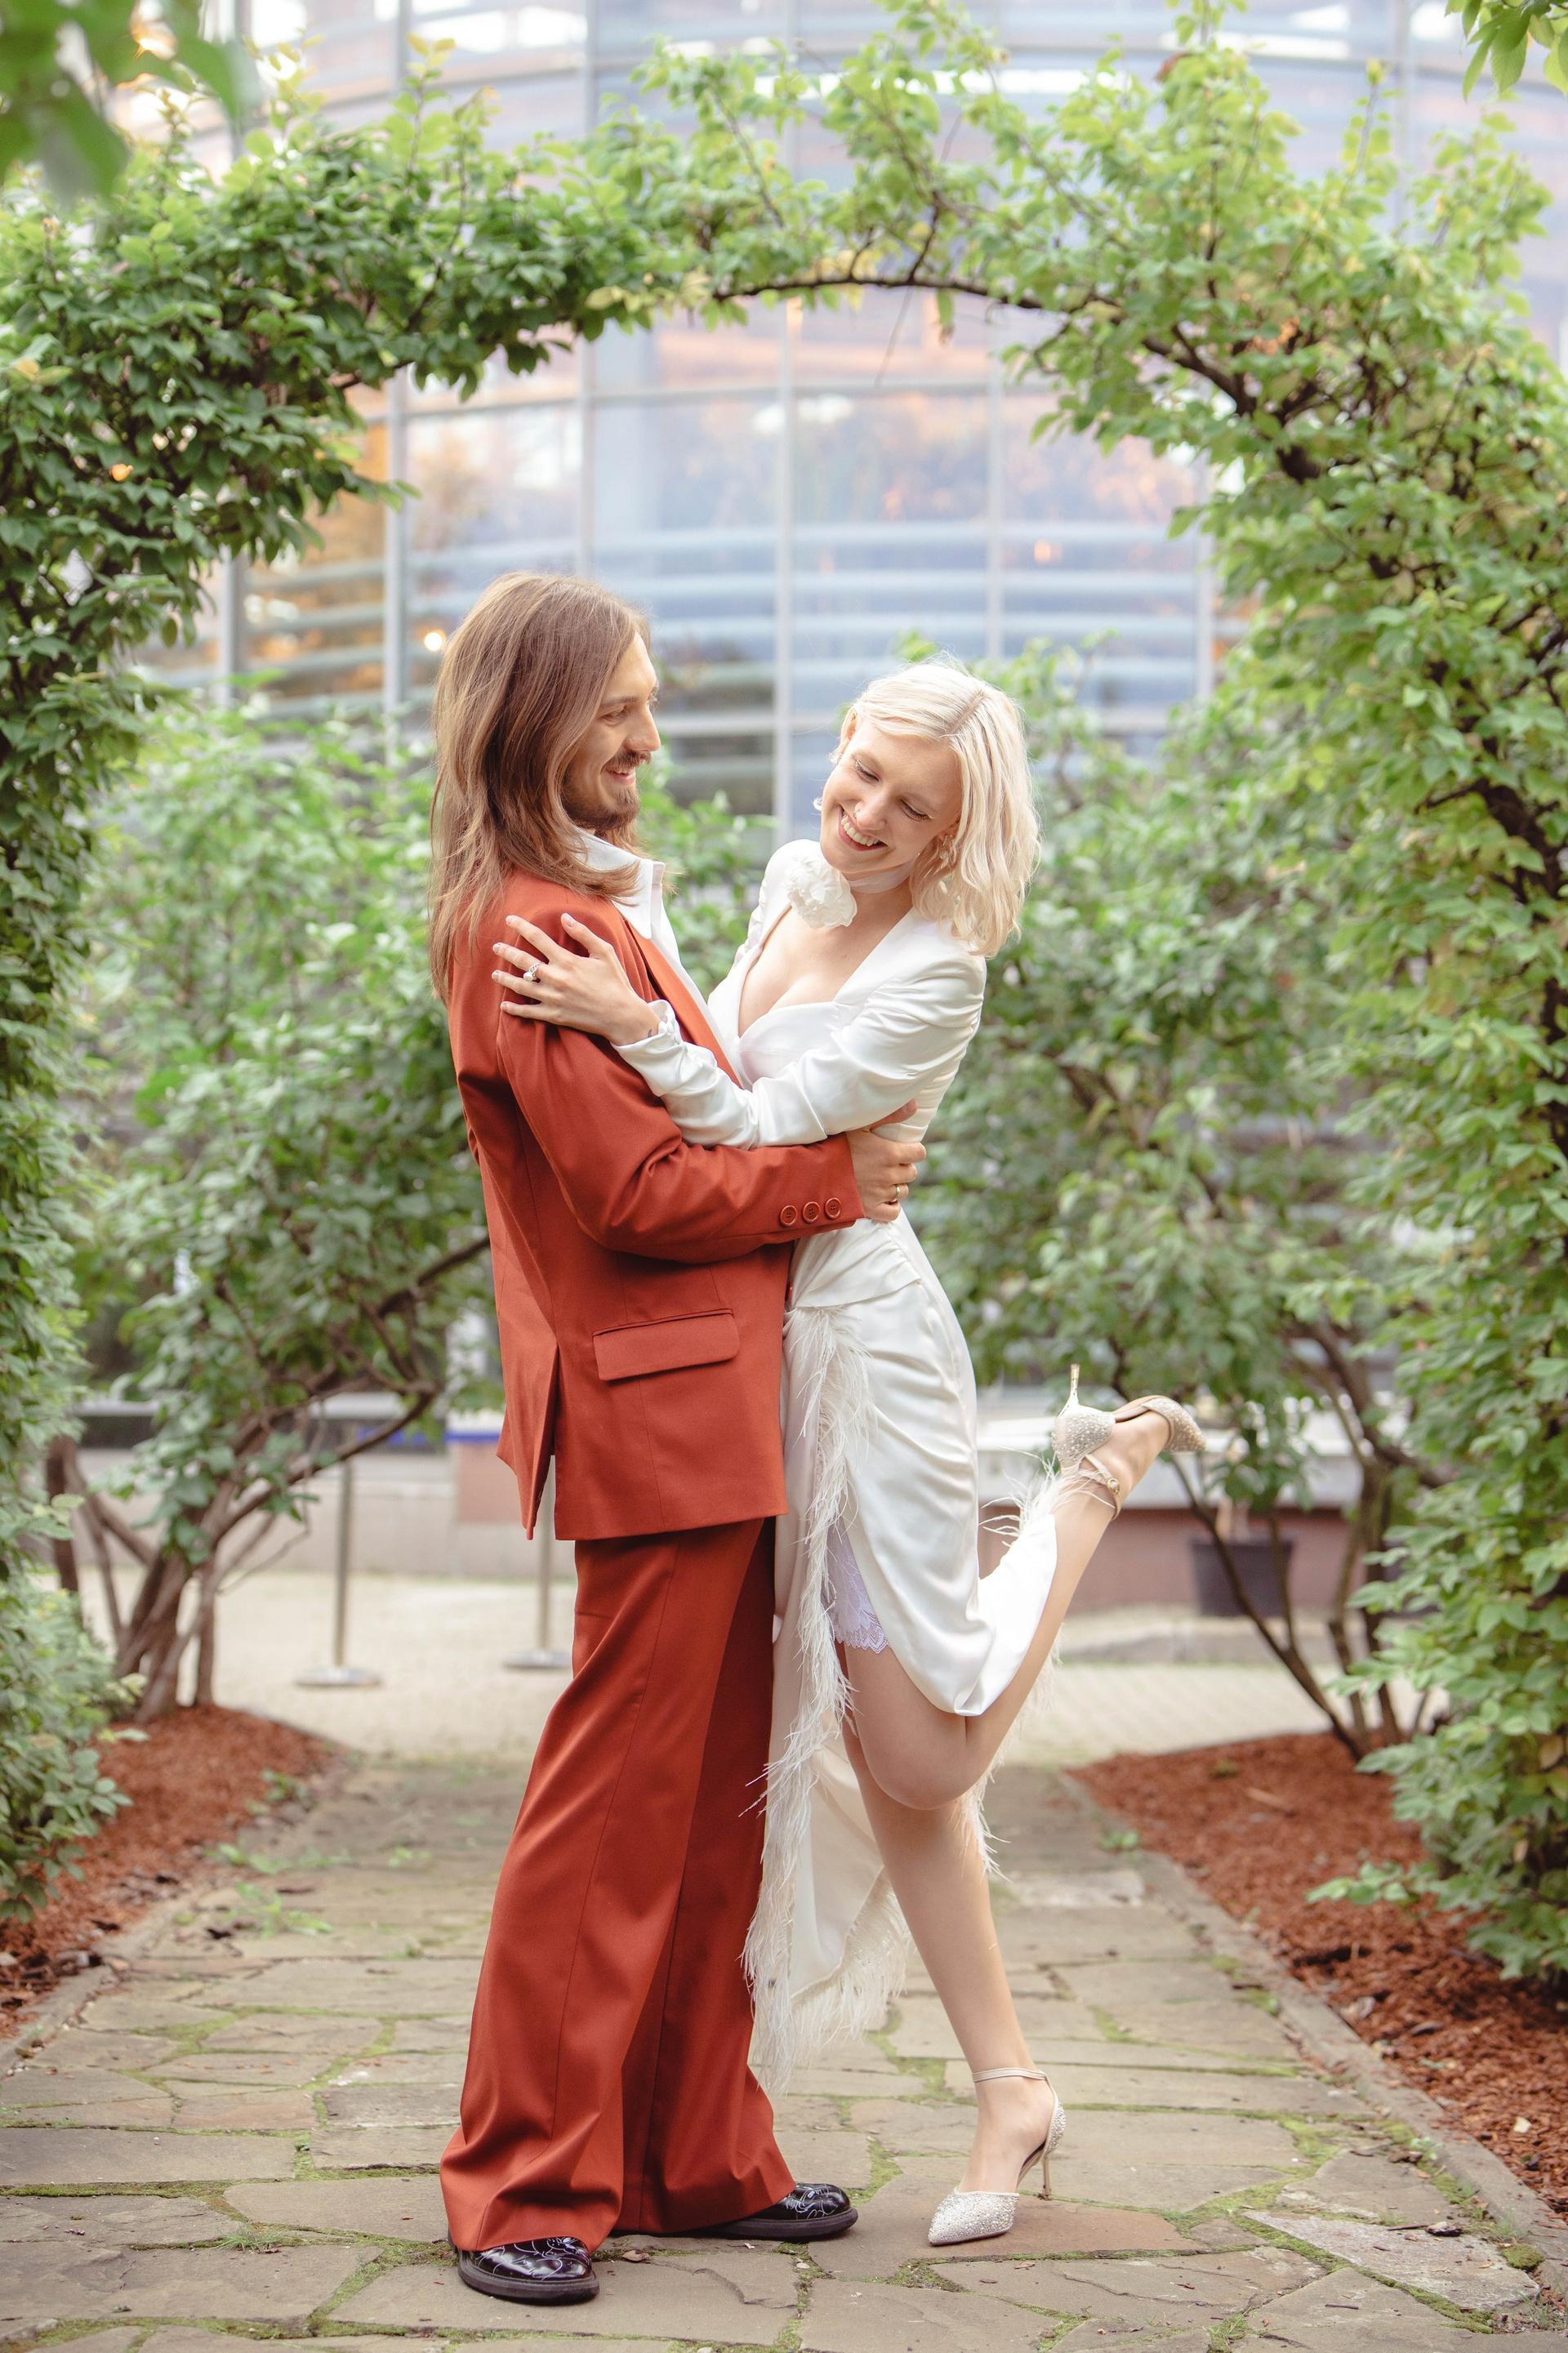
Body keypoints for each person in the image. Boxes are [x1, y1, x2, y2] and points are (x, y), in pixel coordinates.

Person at [492, 657, 1205, 2249]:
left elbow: (753, 1120)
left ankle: (1081, 1497)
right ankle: (1010, 2087)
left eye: (912, 804)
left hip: (867, 1363)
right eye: (862, 770)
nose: (867, 812)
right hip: (753, 1355)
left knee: (924, 1757)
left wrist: (627, 1017)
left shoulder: (943, 973)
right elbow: (722, 1061)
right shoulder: (784, 881)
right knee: (875, 1752)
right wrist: (637, 964)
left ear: (958, 834)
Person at [431, 573, 926, 2306]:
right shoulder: (524, 928)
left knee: (718, 1814)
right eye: (621, 703)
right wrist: (832, 1180)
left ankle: (692, 2155)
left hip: (724, 1403)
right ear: (535, 715)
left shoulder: (590, 908)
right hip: (656, 1411)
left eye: (649, 699)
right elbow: (636, 1189)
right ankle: (522, 2180)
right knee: (611, 1815)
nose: (651, 732)